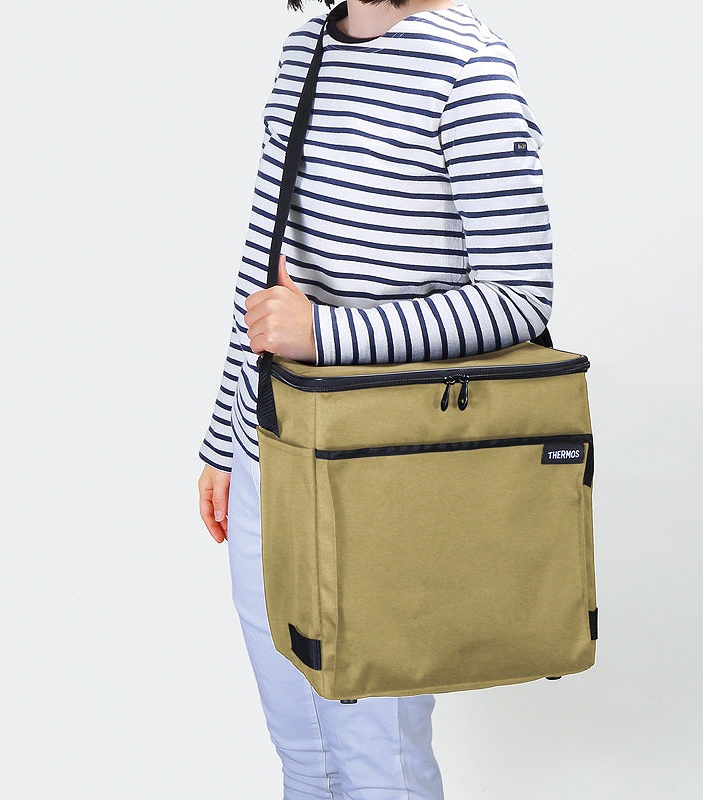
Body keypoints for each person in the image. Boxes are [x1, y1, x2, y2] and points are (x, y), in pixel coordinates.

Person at [197, 0, 552, 796]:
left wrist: (327, 334)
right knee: (305, 758)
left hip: (380, 479)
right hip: (268, 456)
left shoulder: (470, 68)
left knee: (379, 764)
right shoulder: (304, 52)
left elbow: (522, 299)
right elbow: (264, 268)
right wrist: (224, 439)